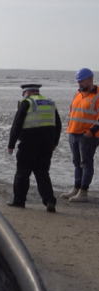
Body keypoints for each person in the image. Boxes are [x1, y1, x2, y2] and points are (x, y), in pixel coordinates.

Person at [6, 84, 62, 212]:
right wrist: (55, 142)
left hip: (28, 144)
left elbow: (17, 124)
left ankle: (19, 201)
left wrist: (11, 144)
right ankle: (49, 200)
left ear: (28, 92)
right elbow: (58, 124)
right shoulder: (50, 103)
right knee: (42, 173)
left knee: (22, 173)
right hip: (46, 145)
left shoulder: (27, 103)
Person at [59, 68, 99, 202]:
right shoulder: (78, 93)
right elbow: (73, 111)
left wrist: (90, 132)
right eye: (78, 82)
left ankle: (83, 192)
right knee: (76, 163)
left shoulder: (97, 95)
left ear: (90, 80)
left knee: (86, 163)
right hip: (73, 133)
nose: (79, 84)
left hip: (88, 136)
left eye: (81, 81)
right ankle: (76, 188)